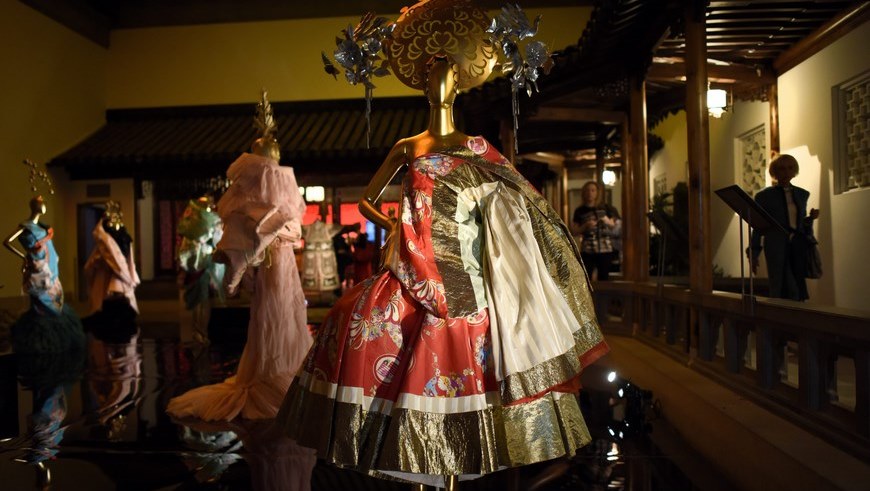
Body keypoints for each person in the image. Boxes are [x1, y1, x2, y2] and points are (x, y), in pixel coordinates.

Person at [276, 4, 607, 485]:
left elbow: (510, 206)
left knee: (479, 331)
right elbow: (370, 199)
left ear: (461, 83)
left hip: (464, 265)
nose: (439, 83)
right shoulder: (409, 146)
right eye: (431, 75)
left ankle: (488, 439)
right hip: (410, 257)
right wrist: (393, 227)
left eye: (447, 74)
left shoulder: (477, 148)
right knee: (361, 318)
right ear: (422, 83)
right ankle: (378, 436)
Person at [166, 92, 310, 421]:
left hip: (284, 264)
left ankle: (285, 369)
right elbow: (256, 227)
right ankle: (267, 373)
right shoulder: (252, 204)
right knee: (269, 315)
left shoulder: (281, 200)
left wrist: (276, 232)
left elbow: (294, 231)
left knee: (286, 316)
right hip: (274, 264)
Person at [4, 195, 84, 354]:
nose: (44, 205)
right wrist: (24, 256)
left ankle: (50, 335)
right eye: (41, 203)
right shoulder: (25, 226)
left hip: (50, 266)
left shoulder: (44, 227)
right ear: (35, 206)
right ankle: (38, 339)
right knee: (40, 301)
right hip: (38, 268)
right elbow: (7, 242)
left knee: (54, 300)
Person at [750, 154, 819, 301]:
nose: (786, 172)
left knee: (797, 283)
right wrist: (754, 251)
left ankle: (796, 318)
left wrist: (810, 219)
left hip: (797, 243)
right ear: (774, 171)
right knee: (779, 282)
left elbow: (799, 223)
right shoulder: (764, 196)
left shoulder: (802, 194)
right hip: (775, 242)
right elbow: (758, 225)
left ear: (795, 170)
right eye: (782, 168)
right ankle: (778, 317)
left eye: (790, 168)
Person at [84, 201, 140, 317]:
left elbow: (90, 266)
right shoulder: (110, 240)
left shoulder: (110, 240)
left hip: (111, 279)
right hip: (109, 278)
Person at [572, 181, 618, 280]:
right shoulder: (579, 210)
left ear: (597, 193)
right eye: (587, 190)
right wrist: (585, 226)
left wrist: (606, 220)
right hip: (588, 249)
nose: (590, 193)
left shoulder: (606, 208)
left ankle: (604, 296)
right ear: (584, 193)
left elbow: (615, 226)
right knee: (587, 278)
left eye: (593, 190)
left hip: (605, 249)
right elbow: (574, 231)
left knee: (604, 278)